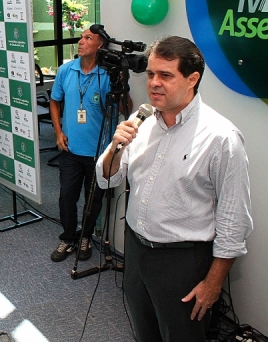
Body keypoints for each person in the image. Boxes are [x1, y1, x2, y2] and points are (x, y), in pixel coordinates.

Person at [97, 36, 253, 341]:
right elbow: (107, 179)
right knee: (145, 332)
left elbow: (234, 221)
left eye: (166, 75)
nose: (154, 83)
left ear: (192, 79)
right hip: (137, 251)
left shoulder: (221, 137)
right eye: (151, 74)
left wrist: (213, 283)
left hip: (183, 261)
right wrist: (115, 147)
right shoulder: (140, 120)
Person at [48, 26, 110, 262]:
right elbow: (54, 101)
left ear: (100, 45)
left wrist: (121, 88)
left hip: (99, 151)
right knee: (66, 197)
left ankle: (85, 236)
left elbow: (123, 107)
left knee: (93, 198)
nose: (81, 41)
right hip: (71, 149)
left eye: (88, 38)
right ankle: (69, 238)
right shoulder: (66, 70)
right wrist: (58, 131)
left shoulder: (106, 75)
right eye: (81, 37)